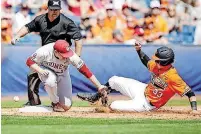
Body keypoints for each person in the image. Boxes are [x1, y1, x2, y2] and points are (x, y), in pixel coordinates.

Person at [77, 42, 199, 114]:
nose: (155, 62)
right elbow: (146, 61)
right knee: (114, 80)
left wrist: (194, 109)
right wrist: (139, 50)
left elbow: (190, 93)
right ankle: (96, 97)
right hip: (142, 89)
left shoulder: (173, 77)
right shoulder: (158, 66)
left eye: (158, 60)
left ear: (165, 62)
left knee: (114, 106)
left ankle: (103, 108)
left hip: (147, 104)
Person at [11, 0, 83, 106]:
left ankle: (58, 101)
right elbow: (27, 27)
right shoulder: (41, 19)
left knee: (64, 102)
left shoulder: (67, 22)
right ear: (47, 9)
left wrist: (77, 55)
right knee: (33, 72)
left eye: (57, 9)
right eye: (52, 9)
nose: (55, 11)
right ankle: (34, 102)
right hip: (46, 55)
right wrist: (17, 36)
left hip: (61, 57)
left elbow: (78, 38)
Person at [26, 40, 106, 112]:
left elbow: (85, 71)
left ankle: (58, 98)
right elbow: (29, 61)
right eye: (63, 54)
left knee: (66, 106)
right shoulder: (44, 51)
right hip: (46, 70)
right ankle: (55, 102)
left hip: (62, 73)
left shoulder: (71, 56)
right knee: (50, 81)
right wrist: (40, 70)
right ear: (56, 52)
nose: (66, 56)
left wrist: (99, 86)